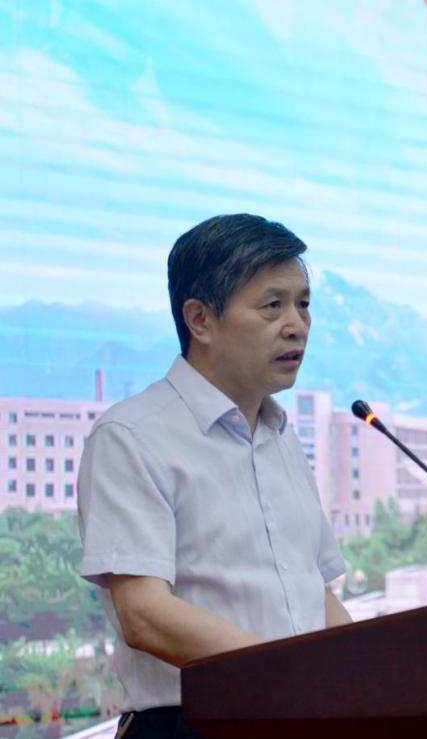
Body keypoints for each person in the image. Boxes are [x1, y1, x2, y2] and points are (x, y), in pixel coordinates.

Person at [77, 214, 351, 739]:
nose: (297, 324)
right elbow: (145, 614)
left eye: (303, 304)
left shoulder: (281, 438)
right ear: (200, 320)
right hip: (192, 723)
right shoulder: (132, 435)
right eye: (272, 306)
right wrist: (291, 677)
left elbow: (313, 595)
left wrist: (377, 682)